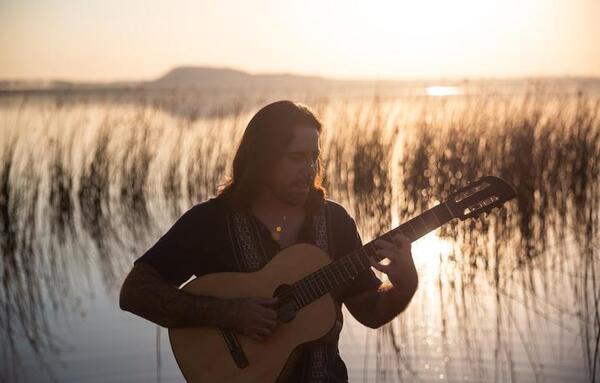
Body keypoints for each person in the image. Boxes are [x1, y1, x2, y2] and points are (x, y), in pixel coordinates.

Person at [119, 100, 419, 382]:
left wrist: (404, 285)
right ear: (263, 159)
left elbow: (371, 311)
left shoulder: (335, 222)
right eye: (296, 158)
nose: (310, 169)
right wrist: (229, 313)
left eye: (314, 157)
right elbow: (135, 292)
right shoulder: (210, 222)